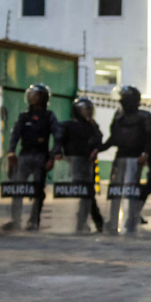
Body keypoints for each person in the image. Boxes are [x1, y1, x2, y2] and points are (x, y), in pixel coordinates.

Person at [4, 83, 61, 231]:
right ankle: (15, 219)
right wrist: (11, 152)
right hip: (24, 156)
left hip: (41, 157)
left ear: (42, 98)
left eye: (35, 95)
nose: (31, 97)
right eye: (31, 95)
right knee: (18, 188)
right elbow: (15, 135)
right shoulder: (24, 116)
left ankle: (34, 221)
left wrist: (53, 156)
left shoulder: (49, 116)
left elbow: (58, 135)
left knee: (38, 190)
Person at [99, 86, 151, 229]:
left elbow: (150, 137)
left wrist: (145, 154)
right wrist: (98, 149)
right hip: (120, 157)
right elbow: (113, 138)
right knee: (115, 190)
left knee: (132, 190)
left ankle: (131, 219)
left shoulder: (144, 116)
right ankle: (113, 219)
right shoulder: (119, 116)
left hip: (135, 158)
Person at [56, 97, 105, 233]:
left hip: (87, 163)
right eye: (85, 109)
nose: (88, 112)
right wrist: (57, 152)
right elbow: (59, 141)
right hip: (73, 163)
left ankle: (87, 222)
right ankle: (93, 221)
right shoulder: (67, 125)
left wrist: (95, 127)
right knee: (85, 192)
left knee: (88, 193)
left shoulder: (92, 126)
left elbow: (98, 141)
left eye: (90, 109)